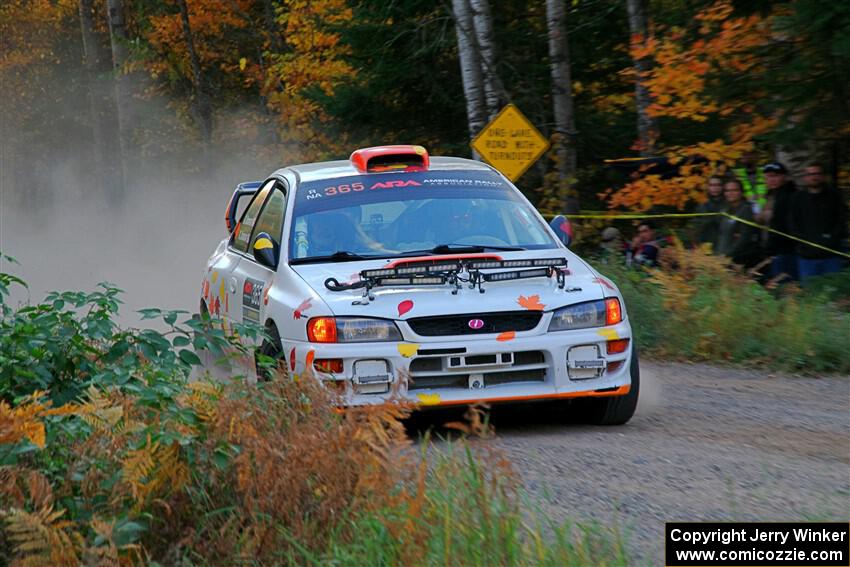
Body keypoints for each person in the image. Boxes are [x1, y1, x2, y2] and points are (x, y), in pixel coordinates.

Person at [789, 163, 848, 281]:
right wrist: (803, 242)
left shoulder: (834, 196)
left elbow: (841, 220)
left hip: (831, 256)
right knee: (810, 294)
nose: (814, 177)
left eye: (817, 173)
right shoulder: (798, 198)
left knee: (833, 293)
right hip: (807, 257)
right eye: (810, 174)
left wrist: (831, 238)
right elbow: (792, 223)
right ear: (805, 177)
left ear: (823, 176)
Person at [757, 162, 798, 280]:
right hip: (770, 250)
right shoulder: (769, 196)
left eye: (775, 176)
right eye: (768, 177)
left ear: (784, 176)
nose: (771, 180)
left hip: (785, 250)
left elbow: (784, 225)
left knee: (784, 287)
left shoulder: (790, 196)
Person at [716, 178, 758, 265]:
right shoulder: (724, 210)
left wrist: (727, 255)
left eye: (734, 190)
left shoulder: (746, 210)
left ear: (741, 192)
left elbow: (744, 237)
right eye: (727, 190)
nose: (730, 193)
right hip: (721, 257)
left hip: (737, 260)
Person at [694, 175, 726, 249]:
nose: (715, 188)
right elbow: (696, 224)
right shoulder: (702, 204)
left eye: (718, 185)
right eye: (712, 185)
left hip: (724, 243)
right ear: (708, 187)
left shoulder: (728, 204)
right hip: (705, 242)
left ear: (722, 187)